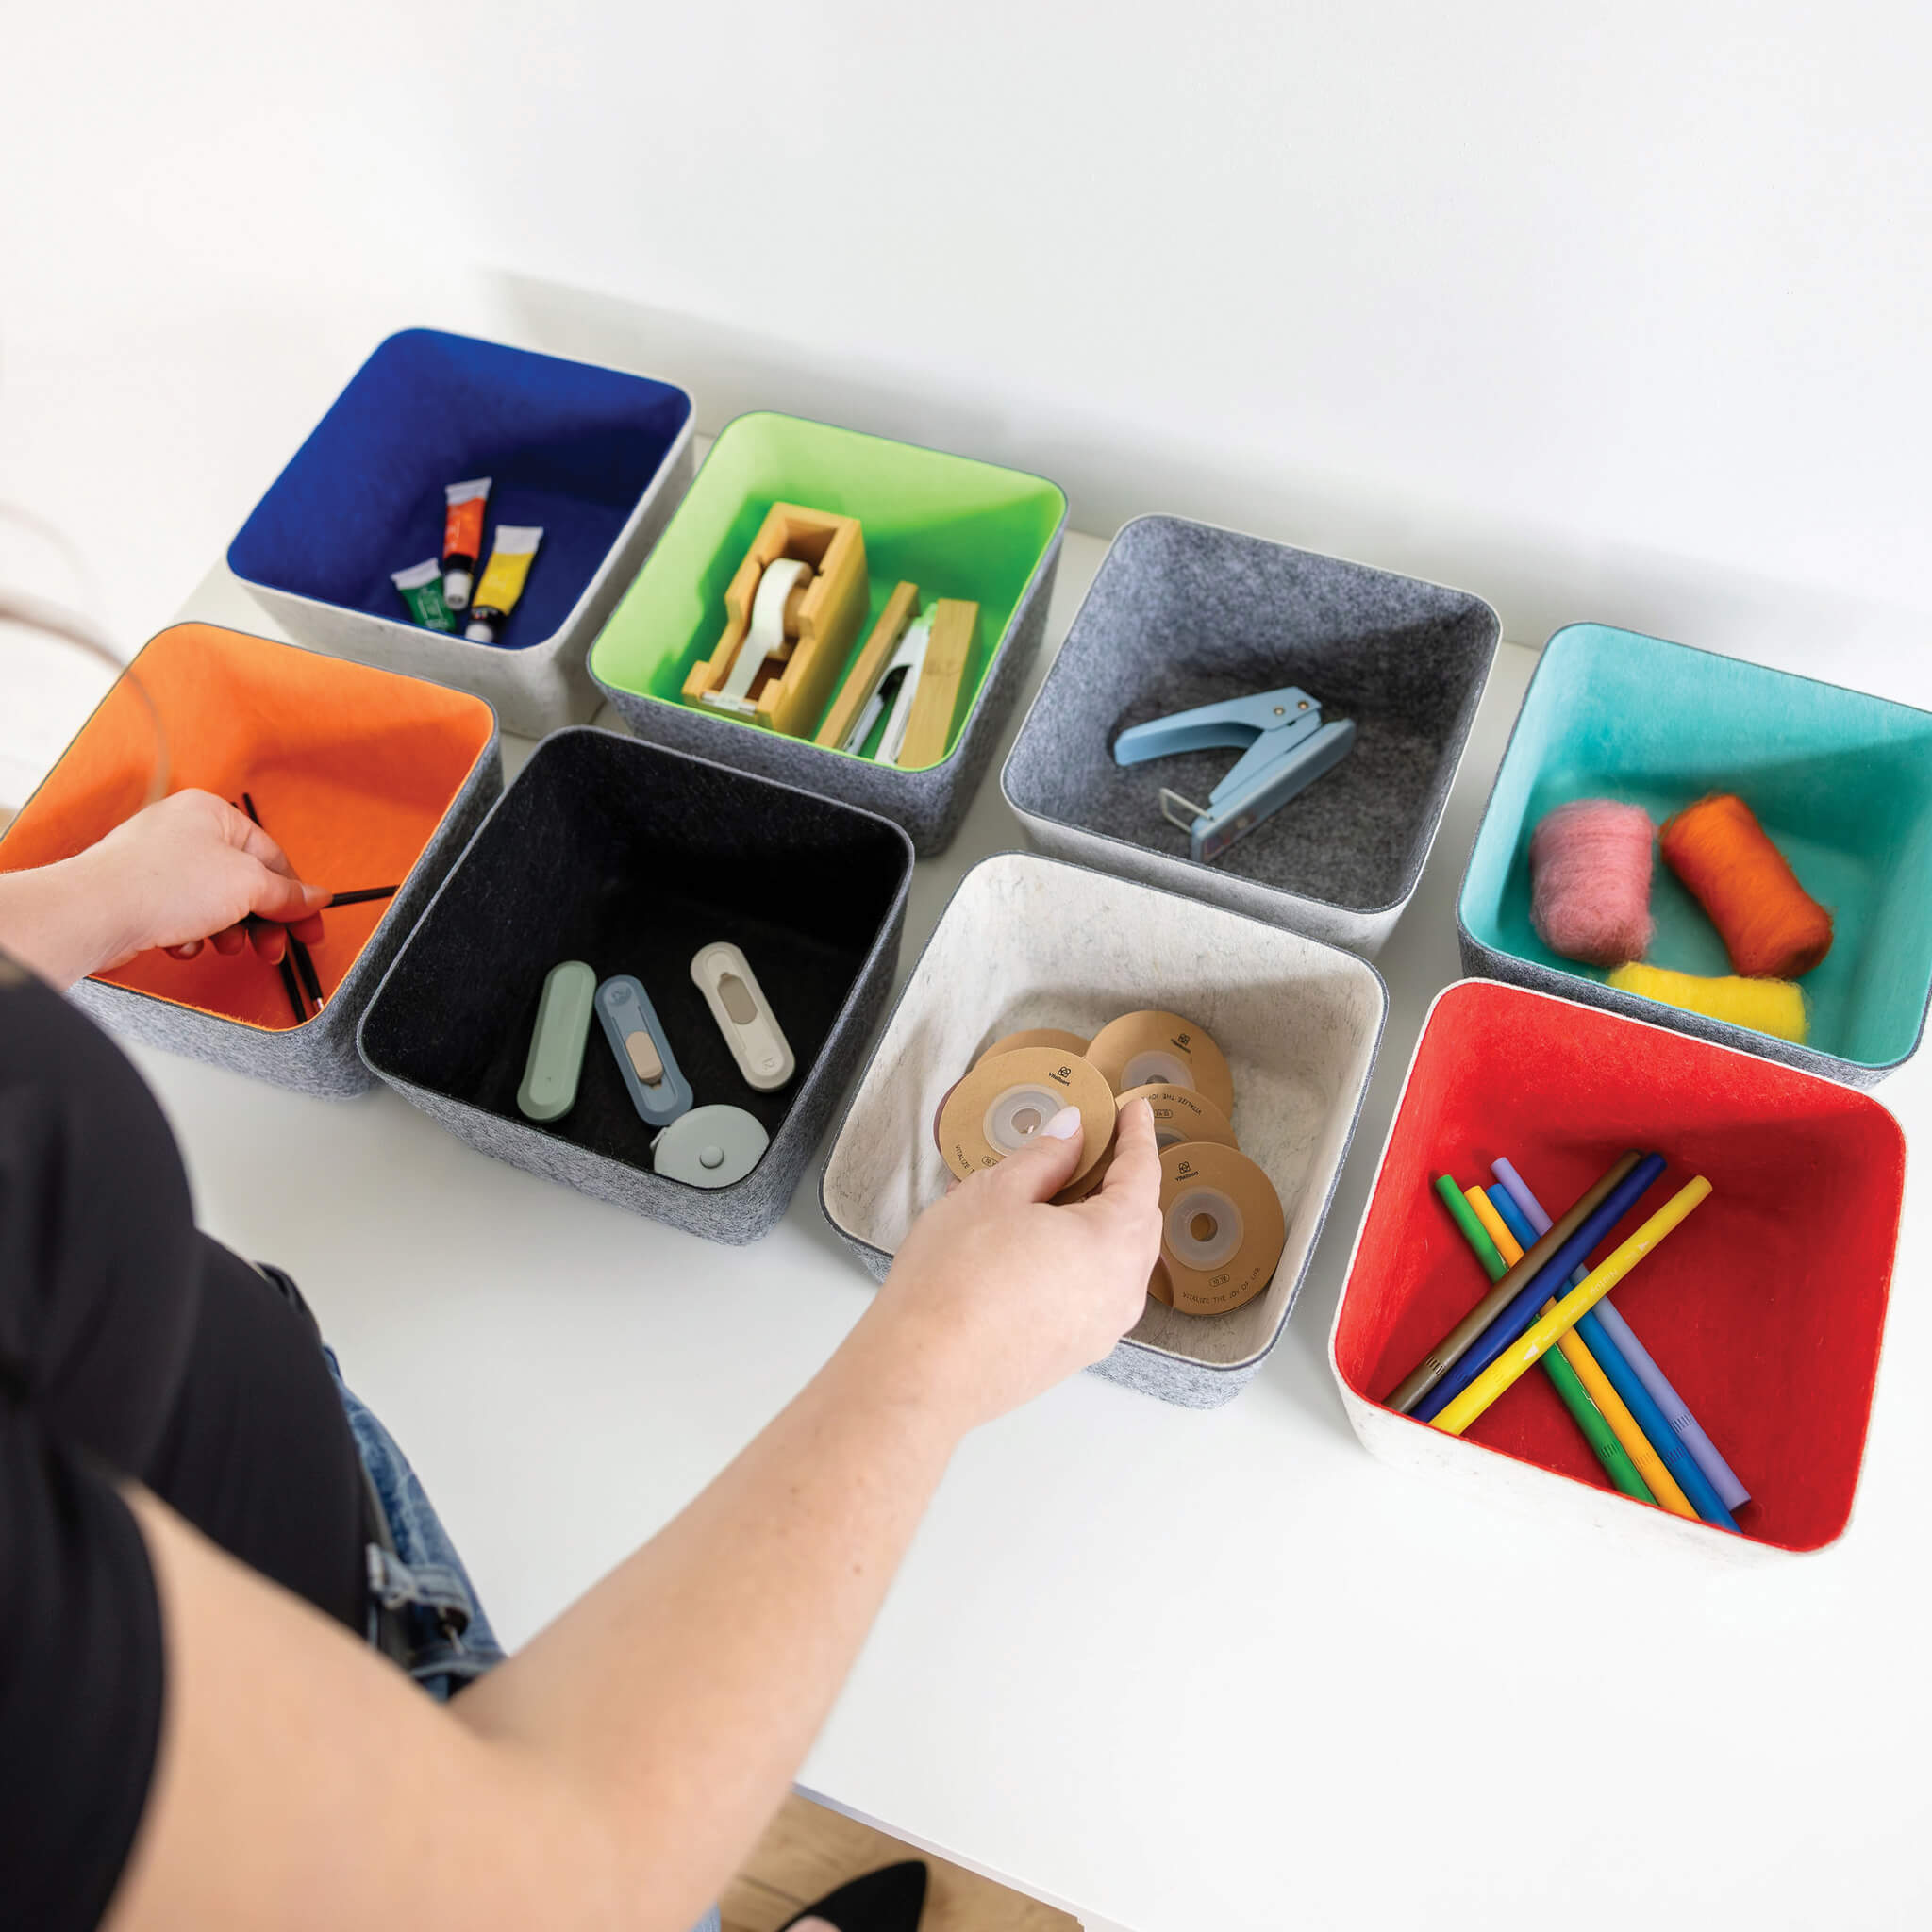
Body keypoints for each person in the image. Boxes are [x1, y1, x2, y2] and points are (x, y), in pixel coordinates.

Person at [0, 788, 1163, 1932]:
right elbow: (543, 1888)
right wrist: (938, 1349)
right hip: (406, 1783)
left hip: (299, 1485)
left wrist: (84, 902)